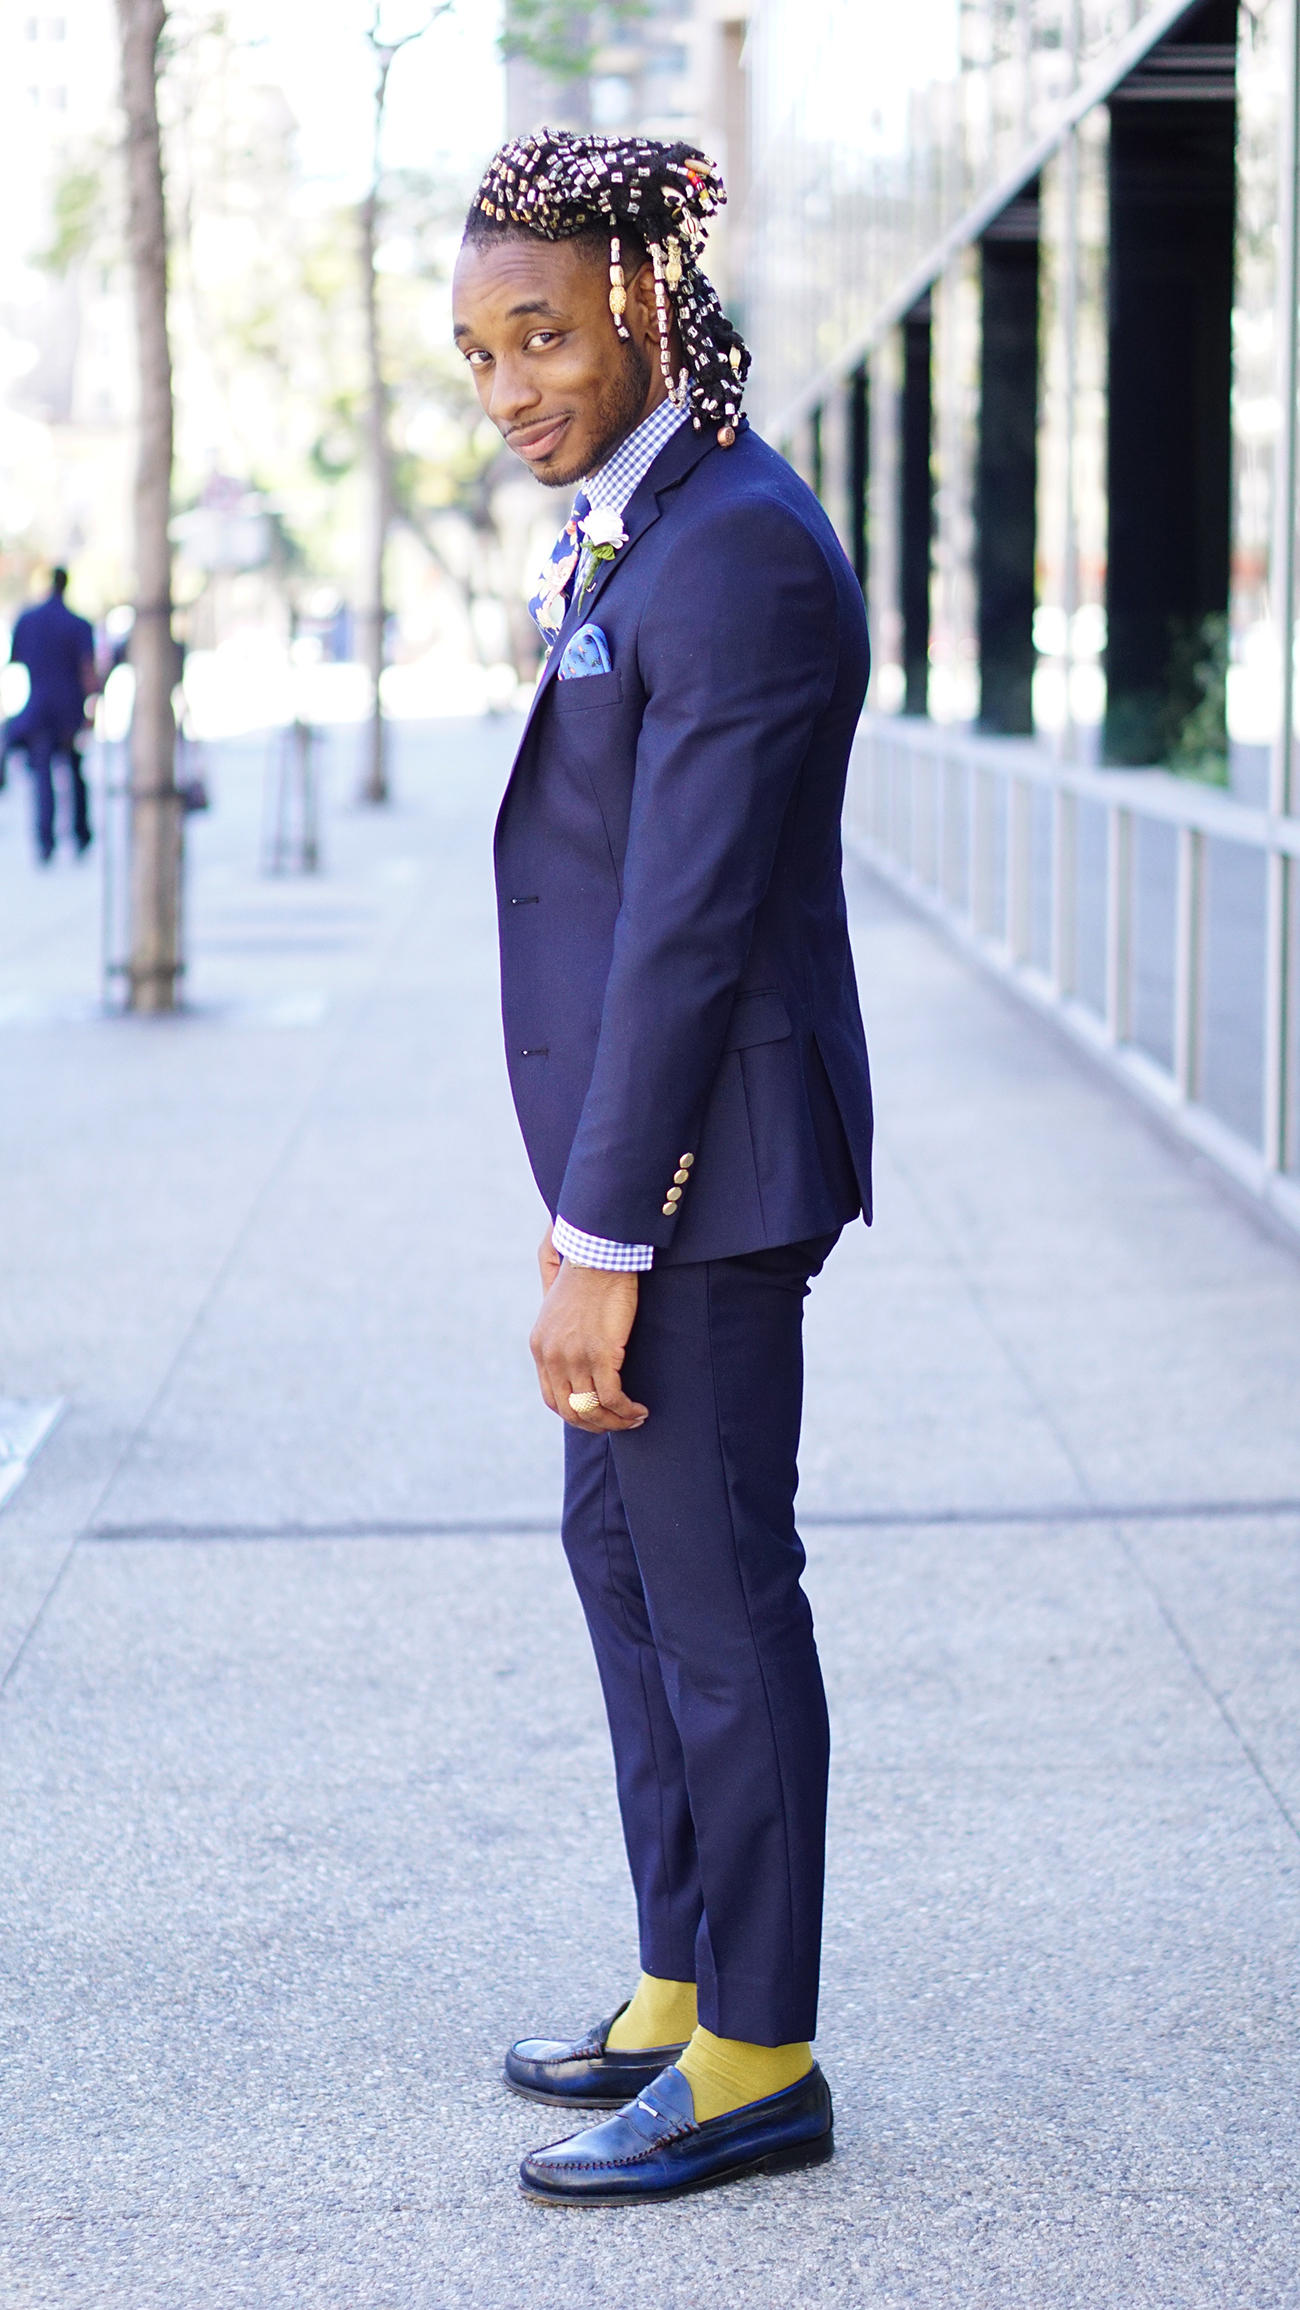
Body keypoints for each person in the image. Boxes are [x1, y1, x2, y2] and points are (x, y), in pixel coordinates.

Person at [452, 129, 873, 2207]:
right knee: (624, 1571)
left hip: (707, 1180)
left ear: (638, 301)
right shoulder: (652, 523)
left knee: (715, 1604)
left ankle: (759, 2052)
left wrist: (603, 1236)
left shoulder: (739, 549)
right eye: (476, 353)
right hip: (629, 1169)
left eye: (541, 331)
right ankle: (676, 1973)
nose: (512, 382)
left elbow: (687, 929)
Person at [5, 567, 99, 863]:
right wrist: (92, 708)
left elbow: (15, 664)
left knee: (43, 776)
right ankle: (79, 834)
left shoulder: (28, 620)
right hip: (68, 709)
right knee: (73, 771)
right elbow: (87, 669)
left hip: (41, 707)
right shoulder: (77, 624)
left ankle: (46, 841)